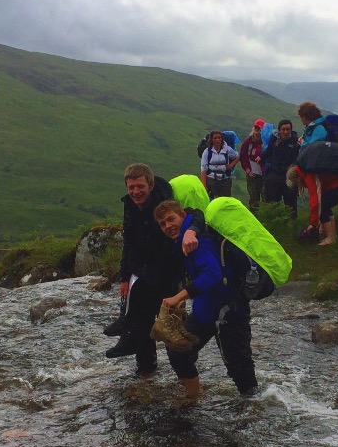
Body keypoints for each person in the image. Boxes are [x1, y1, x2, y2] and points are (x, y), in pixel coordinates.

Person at [153, 199, 259, 399]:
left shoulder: (196, 242)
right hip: (206, 310)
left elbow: (212, 274)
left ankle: (256, 408)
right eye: (162, 224)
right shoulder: (186, 236)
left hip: (230, 310)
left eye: (171, 219)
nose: (168, 226)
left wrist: (180, 296)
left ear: (182, 216)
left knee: (239, 366)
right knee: (178, 350)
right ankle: (193, 398)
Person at [105, 164, 202, 378]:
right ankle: (146, 370)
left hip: (170, 270)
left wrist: (191, 232)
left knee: (171, 323)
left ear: (151, 185)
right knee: (142, 320)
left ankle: (186, 363)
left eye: (140, 186)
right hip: (145, 270)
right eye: (131, 187)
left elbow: (196, 215)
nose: (135, 192)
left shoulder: (164, 201)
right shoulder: (130, 204)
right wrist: (124, 277)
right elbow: (129, 241)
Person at [288, 165, 338, 246]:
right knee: (326, 207)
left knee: (322, 208)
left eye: (295, 182)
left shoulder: (309, 176)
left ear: (297, 177)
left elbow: (315, 201)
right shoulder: (307, 171)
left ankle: (331, 237)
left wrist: (313, 223)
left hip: (337, 186)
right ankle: (333, 235)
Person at [261, 119, 300, 218]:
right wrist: (260, 157)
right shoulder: (274, 140)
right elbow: (268, 151)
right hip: (274, 174)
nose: (286, 132)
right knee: (272, 201)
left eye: (288, 129)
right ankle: (272, 223)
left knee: (291, 202)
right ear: (279, 130)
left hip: (289, 176)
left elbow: (298, 159)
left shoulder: (295, 142)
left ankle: (291, 225)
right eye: (283, 129)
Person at [200, 130, 239, 199]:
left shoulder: (227, 149)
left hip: (225, 179)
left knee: (225, 200)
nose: (217, 140)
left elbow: (237, 156)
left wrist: (231, 165)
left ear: (222, 139)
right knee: (211, 199)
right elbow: (204, 168)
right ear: (211, 140)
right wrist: (204, 185)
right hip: (211, 179)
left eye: (219, 138)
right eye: (215, 138)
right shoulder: (207, 151)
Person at [238, 120, 266, 211]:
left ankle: (266, 217)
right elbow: (243, 157)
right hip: (252, 174)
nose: (258, 131)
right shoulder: (248, 143)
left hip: (265, 173)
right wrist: (248, 170)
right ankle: (254, 216)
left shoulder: (266, 142)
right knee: (253, 197)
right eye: (256, 128)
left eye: (260, 129)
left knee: (266, 196)